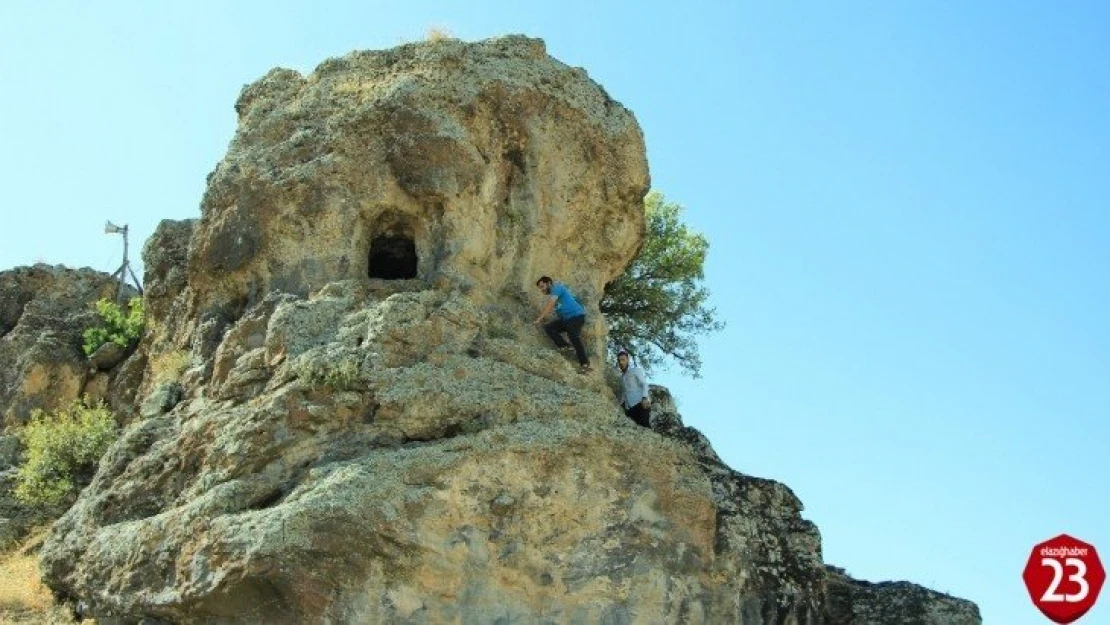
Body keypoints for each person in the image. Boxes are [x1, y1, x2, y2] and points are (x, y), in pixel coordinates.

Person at [533, 276, 591, 372]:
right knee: (549, 327)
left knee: (573, 335)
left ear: (549, 283)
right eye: (540, 288)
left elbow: (550, 305)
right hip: (567, 320)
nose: (542, 289)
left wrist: (539, 318)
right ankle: (564, 345)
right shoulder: (554, 296)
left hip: (577, 316)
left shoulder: (557, 288)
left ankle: (585, 363)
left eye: (542, 286)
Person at [617, 349, 651, 427]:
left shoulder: (635, 370)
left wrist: (645, 398)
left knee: (645, 427)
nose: (621, 362)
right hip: (630, 409)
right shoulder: (621, 377)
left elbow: (644, 384)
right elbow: (624, 393)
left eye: (623, 360)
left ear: (628, 360)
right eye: (619, 361)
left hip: (640, 404)